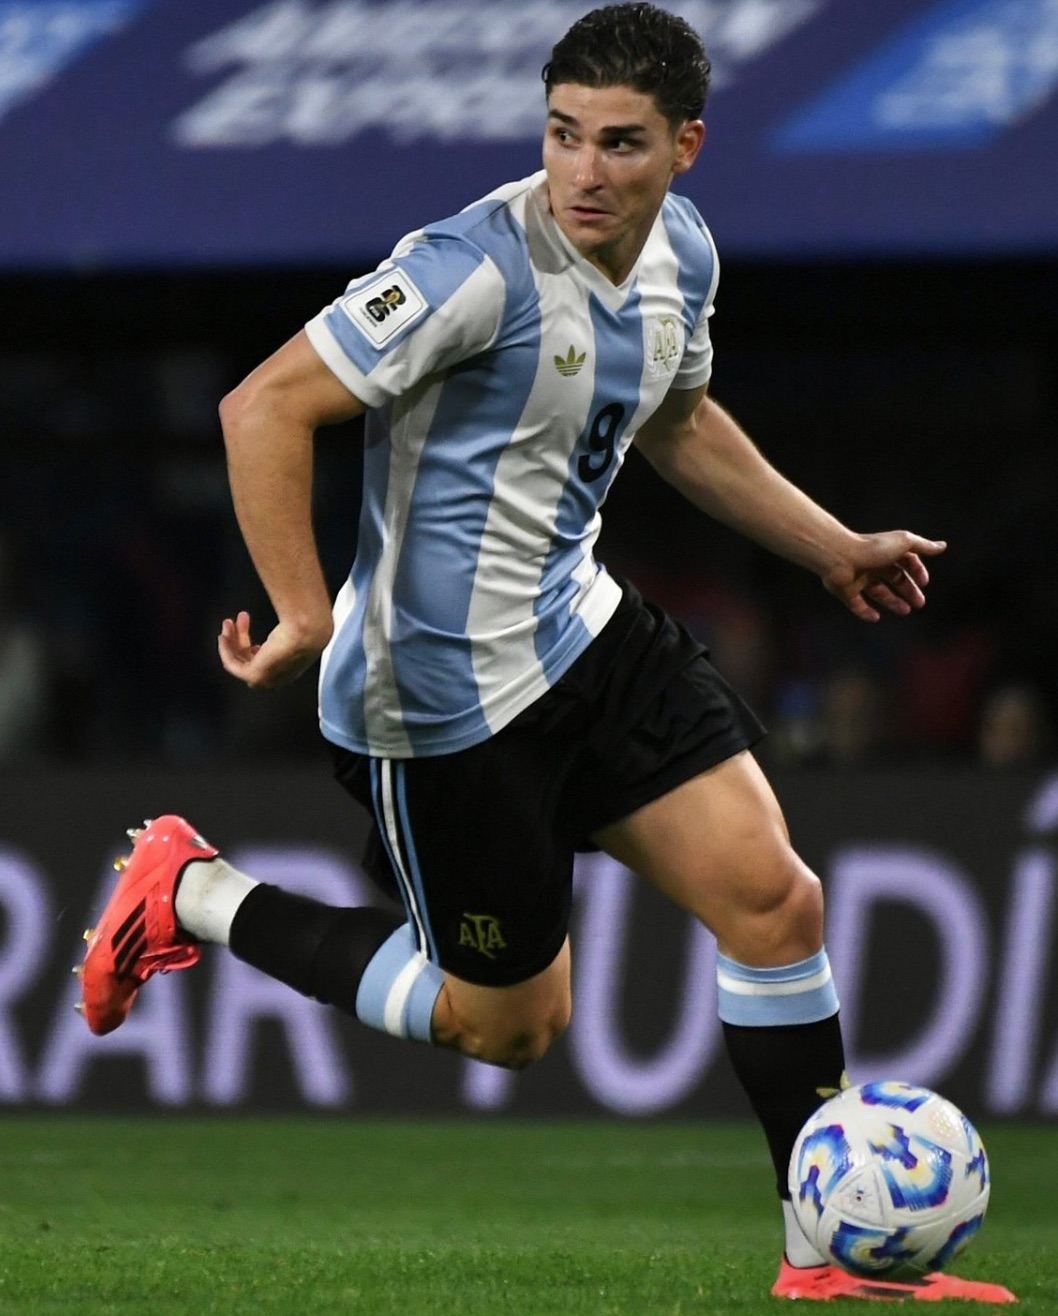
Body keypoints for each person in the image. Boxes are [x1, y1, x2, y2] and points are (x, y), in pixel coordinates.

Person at [77, 5, 1014, 1305]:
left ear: (683, 148)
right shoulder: (470, 265)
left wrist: (826, 545)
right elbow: (265, 404)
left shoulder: (679, 250)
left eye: (618, 143)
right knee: (505, 1027)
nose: (583, 170)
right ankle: (189, 891)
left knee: (775, 902)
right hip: (443, 698)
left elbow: (673, 419)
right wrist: (300, 610)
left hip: (583, 633)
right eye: (562, 135)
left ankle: (820, 1263)